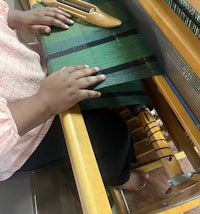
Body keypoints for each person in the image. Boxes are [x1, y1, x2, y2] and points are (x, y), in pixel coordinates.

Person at [0, 0, 148, 191]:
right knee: (112, 133)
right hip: (21, 130)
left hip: (31, 72)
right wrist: (44, 102)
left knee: (106, 83)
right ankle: (120, 178)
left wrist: (13, 17)